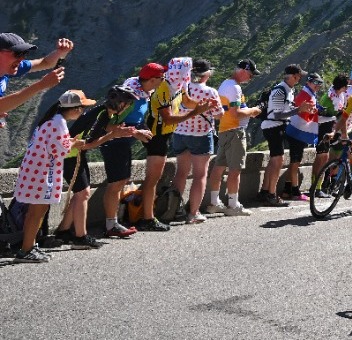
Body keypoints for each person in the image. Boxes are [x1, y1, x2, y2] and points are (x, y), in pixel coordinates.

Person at [12, 90, 133, 263]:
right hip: (41, 172)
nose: (83, 112)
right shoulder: (58, 123)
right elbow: (61, 149)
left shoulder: (53, 120)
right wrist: (75, 143)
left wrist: (73, 142)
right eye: (82, 108)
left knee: (37, 211)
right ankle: (26, 250)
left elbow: (57, 144)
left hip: (36, 170)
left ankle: (30, 246)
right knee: (36, 212)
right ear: (74, 108)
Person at [55, 85, 140, 250]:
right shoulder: (100, 114)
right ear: (119, 103)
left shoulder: (103, 113)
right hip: (71, 155)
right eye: (127, 103)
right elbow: (87, 145)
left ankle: (63, 231)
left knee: (80, 194)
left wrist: (116, 133)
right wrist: (112, 136)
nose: (128, 107)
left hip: (74, 155)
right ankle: (80, 236)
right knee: (83, 194)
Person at [126, 61, 208, 233]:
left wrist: (202, 106)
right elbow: (169, 118)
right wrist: (195, 113)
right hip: (157, 135)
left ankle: (148, 216)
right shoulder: (163, 87)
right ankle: (147, 218)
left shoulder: (180, 83)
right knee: (152, 180)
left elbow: (186, 100)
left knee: (154, 179)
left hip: (166, 133)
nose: (188, 76)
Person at [169, 59, 223, 223]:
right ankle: (193, 213)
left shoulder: (180, 88)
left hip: (179, 132)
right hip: (200, 135)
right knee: (200, 175)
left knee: (181, 173)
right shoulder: (210, 92)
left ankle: (174, 209)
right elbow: (219, 114)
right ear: (207, 74)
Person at [208, 60, 262, 216]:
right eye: (250, 75)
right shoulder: (235, 88)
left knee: (219, 167)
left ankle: (213, 202)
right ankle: (233, 205)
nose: (250, 79)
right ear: (244, 71)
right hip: (235, 131)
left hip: (224, 130)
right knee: (235, 169)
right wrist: (253, 110)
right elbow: (236, 113)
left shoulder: (225, 84)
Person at [260, 65, 309, 206]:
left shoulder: (289, 90)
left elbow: (285, 109)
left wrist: (298, 109)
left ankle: (264, 191)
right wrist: (298, 110)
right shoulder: (279, 90)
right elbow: (276, 114)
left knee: (274, 160)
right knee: (278, 160)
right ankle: (272, 194)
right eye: (299, 76)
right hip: (273, 127)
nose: (300, 79)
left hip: (278, 127)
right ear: (293, 76)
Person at [0, 34, 70, 119]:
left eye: (24, 53)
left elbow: (46, 63)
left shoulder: (7, 67)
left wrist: (60, 52)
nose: (22, 58)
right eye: (17, 54)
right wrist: (41, 85)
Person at [282, 72, 326, 201]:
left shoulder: (309, 93)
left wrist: (316, 110)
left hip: (297, 131)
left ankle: (286, 190)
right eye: (315, 83)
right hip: (298, 131)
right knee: (296, 162)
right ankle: (295, 192)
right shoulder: (305, 94)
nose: (318, 85)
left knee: (294, 162)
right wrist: (316, 112)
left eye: (320, 83)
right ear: (308, 82)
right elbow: (303, 112)